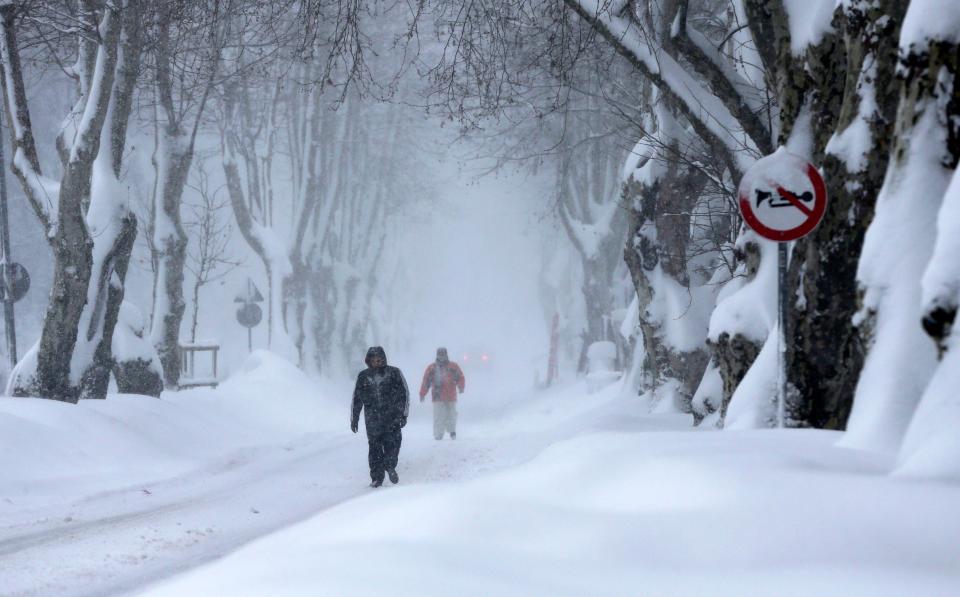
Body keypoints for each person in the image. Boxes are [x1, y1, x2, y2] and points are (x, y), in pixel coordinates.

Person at [351, 346, 410, 487]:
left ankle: (390, 466)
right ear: (368, 361)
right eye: (374, 360)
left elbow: (404, 394)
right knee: (374, 448)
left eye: (380, 359)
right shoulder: (363, 376)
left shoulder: (394, 373)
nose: (377, 362)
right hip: (372, 420)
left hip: (393, 418)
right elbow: (356, 398)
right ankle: (376, 478)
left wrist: (403, 414)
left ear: (384, 359)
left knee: (393, 444)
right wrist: (355, 418)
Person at [419, 347, 465, 440]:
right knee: (438, 416)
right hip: (437, 396)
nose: (441, 356)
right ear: (437, 355)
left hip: (451, 395)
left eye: (443, 354)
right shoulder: (432, 368)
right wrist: (422, 393)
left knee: (451, 414)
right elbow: (426, 382)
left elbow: (460, 377)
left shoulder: (453, 366)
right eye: (439, 354)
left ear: (446, 354)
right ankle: (438, 434)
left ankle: (452, 431)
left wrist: (461, 386)